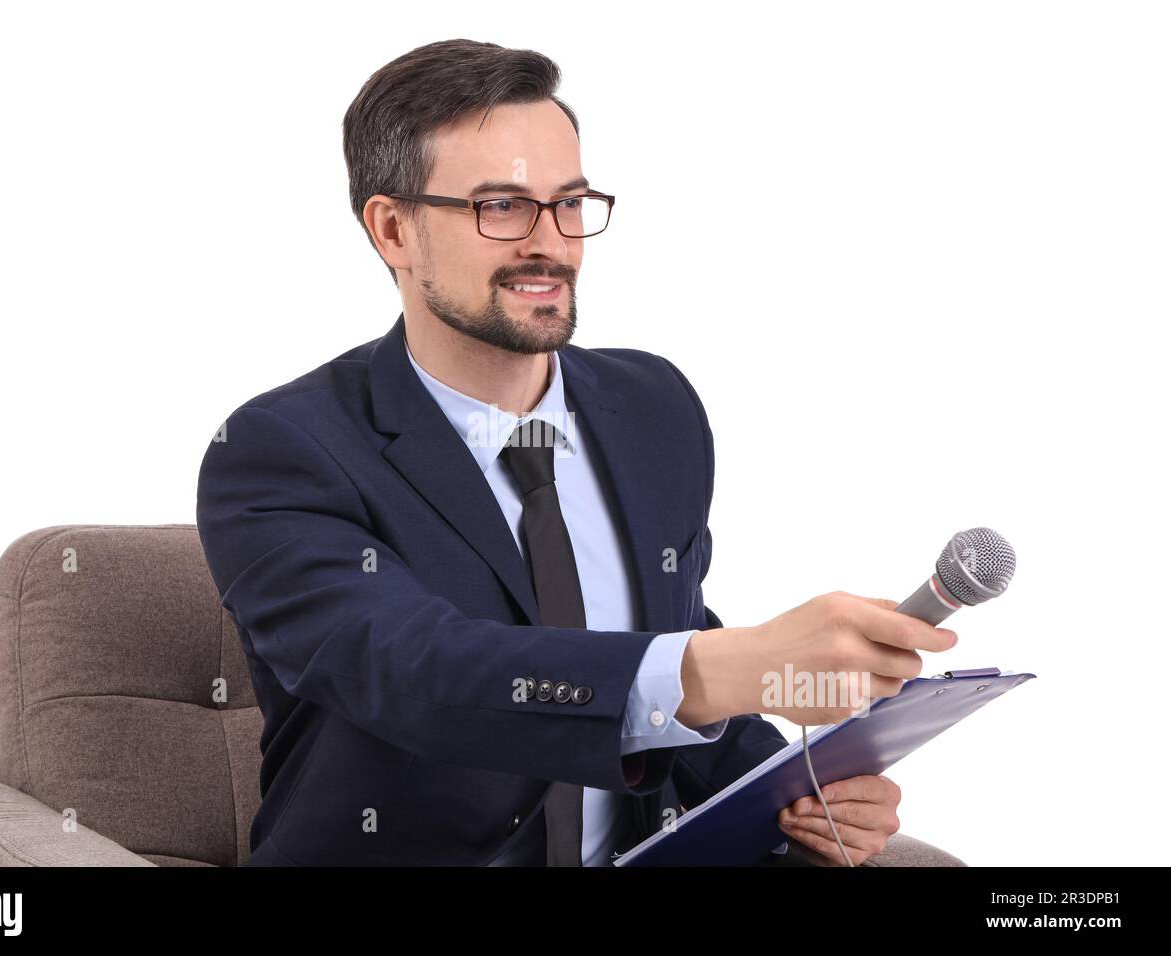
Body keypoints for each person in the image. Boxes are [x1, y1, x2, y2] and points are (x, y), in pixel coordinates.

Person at [196, 38, 959, 867]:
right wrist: (738, 664)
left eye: (569, 202)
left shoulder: (654, 406)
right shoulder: (281, 452)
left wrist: (797, 785)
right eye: (501, 207)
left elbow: (663, 642)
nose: (552, 245)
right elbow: (422, 672)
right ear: (393, 230)